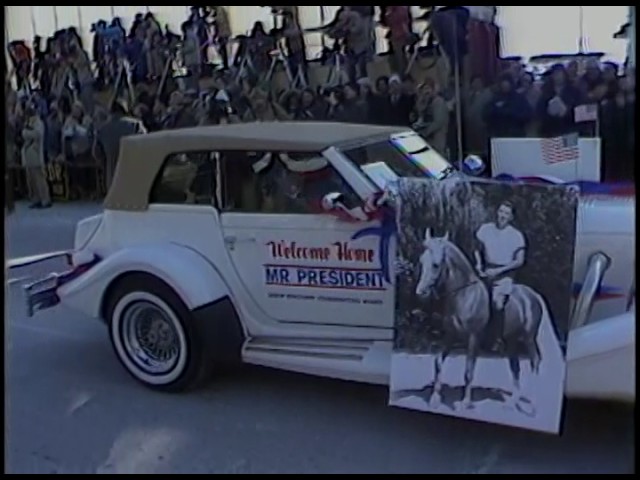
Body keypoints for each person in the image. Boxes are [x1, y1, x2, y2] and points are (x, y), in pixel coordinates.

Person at [474, 201, 527, 349]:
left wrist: (499, 271)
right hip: (485, 271)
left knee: (497, 303)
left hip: (504, 275)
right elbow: (477, 249)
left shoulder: (516, 236)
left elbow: (519, 261)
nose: (502, 216)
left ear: (511, 217)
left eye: (506, 213)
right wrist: (478, 264)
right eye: (501, 212)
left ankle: (497, 338)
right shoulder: (486, 229)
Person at [21, 100, 52, 209]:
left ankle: (45, 199)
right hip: (28, 152)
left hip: (35, 151)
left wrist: (27, 133)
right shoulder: (27, 123)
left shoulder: (39, 122)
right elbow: (23, 133)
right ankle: (36, 198)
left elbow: (37, 134)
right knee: (31, 179)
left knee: (39, 178)